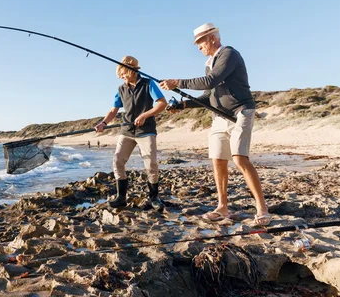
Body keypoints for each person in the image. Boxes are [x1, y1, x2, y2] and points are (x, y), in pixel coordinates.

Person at [160, 23, 271, 226]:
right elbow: (208, 96)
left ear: (212, 38)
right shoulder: (209, 63)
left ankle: (262, 208)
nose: (198, 47)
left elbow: (211, 81)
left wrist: (178, 83)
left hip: (241, 112)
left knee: (239, 159)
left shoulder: (229, 54)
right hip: (219, 117)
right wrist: (183, 105)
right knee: (218, 160)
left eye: (200, 42)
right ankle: (222, 207)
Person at [95, 56, 168, 210]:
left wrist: (144, 115)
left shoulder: (148, 84)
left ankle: (154, 198)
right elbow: (113, 110)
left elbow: (162, 103)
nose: (121, 77)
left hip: (146, 131)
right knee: (118, 161)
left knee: (151, 164)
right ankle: (121, 197)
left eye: (123, 73)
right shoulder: (121, 89)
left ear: (131, 70)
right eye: (120, 75)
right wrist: (103, 123)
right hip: (126, 131)